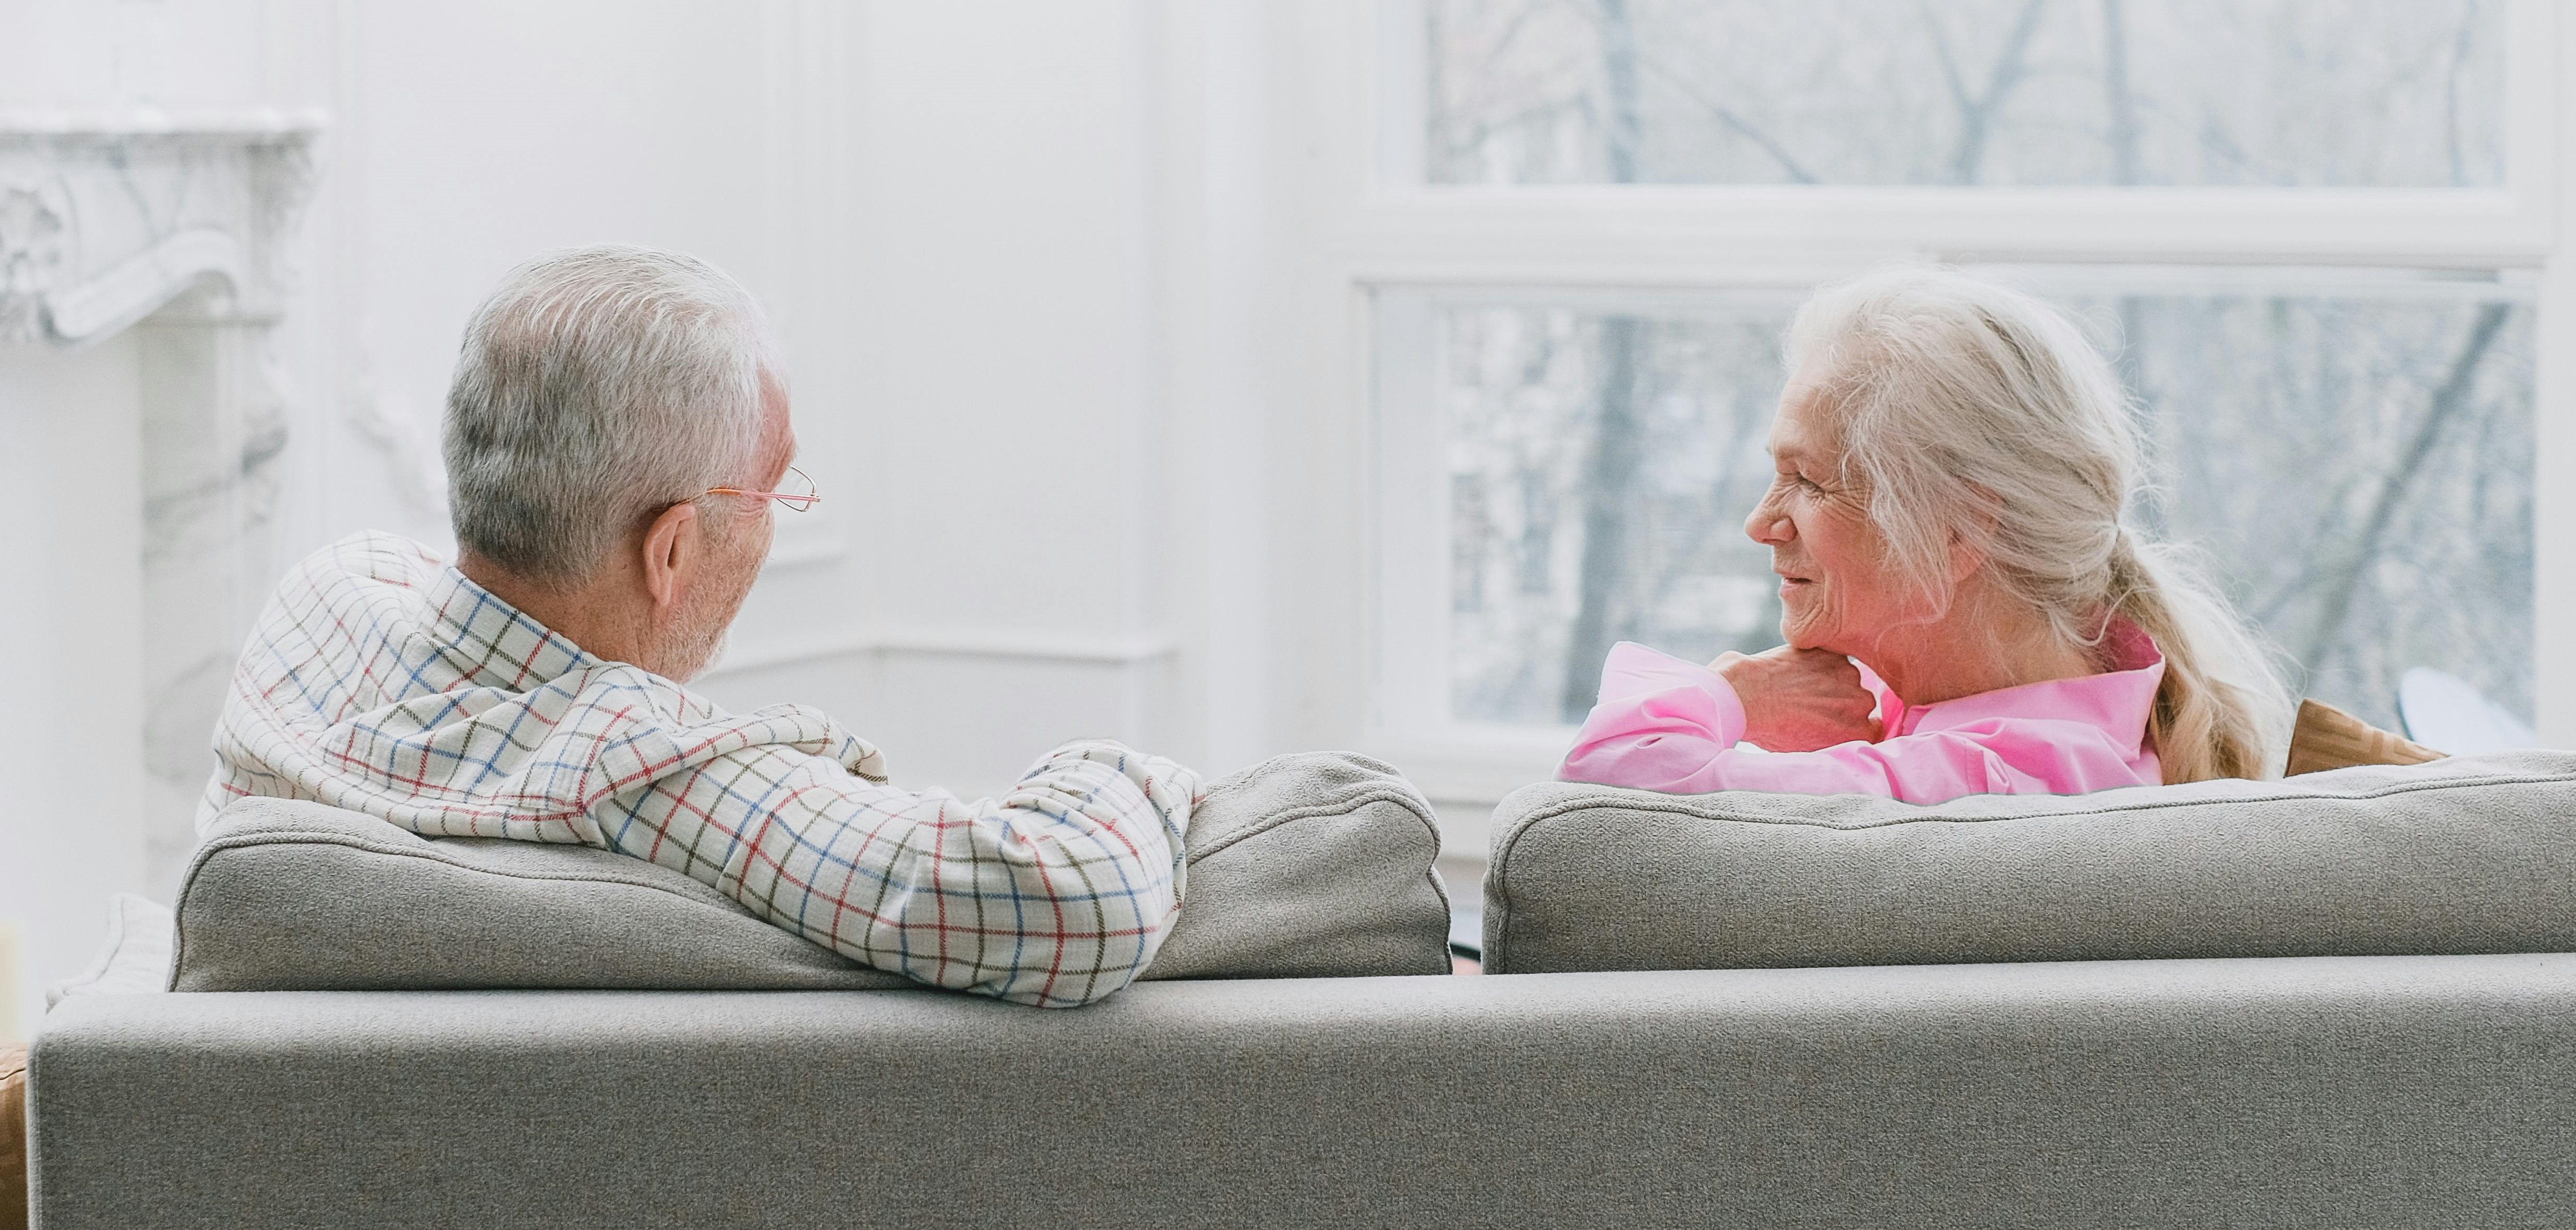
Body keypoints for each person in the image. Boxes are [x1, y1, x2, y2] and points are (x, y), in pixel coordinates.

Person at [201, 245, 1196, 1008]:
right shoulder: (642, 770)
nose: (778, 512)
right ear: (669, 551)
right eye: (772, 489)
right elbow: (1083, 897)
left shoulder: (327, 594)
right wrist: (1128, 772)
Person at [1559, 266, 2291, 803]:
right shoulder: (2028, 700)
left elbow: (1601, 800)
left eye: (1810, 482)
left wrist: (1737, 697)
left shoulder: (1991, 783)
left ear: (1961, 533)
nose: (1760, 523)